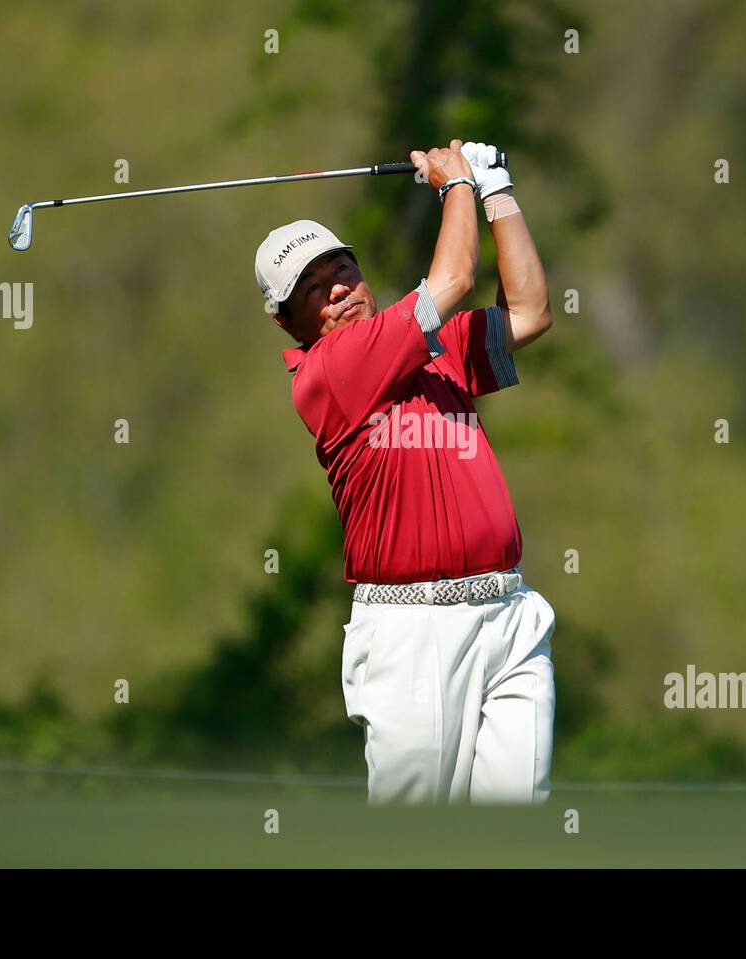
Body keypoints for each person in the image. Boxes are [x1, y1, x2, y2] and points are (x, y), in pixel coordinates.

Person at [253, 139, 555, 804]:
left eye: (342, 268)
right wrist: (456, 184)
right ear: (289, 320)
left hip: (507, 611)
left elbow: (531, 312)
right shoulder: (328, 374)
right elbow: (451, 281)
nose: (339, 286)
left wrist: (497, 187)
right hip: (413, 631)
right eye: (313, 286)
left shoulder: (433, 351)